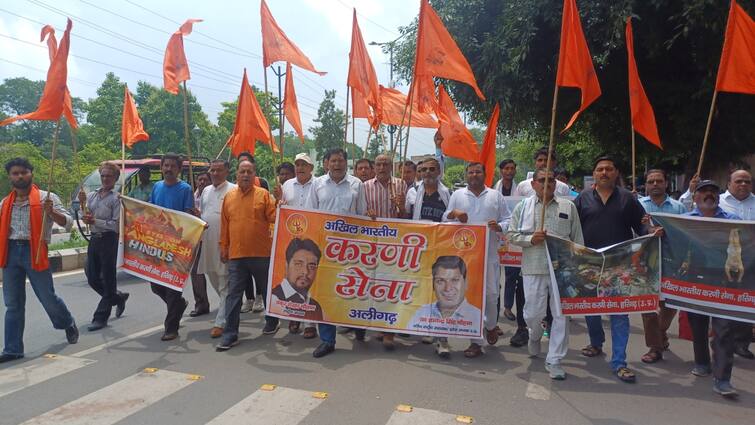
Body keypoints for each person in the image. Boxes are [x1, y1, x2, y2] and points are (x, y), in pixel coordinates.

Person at [574, 156, 649, 383]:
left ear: (616, 173)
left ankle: (619, 362)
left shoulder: (628, 199)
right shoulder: (582, 199)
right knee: (591, 309)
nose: (604, 172)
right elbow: (571, 229)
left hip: (620, 266)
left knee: (619, 314)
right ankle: (596, 343)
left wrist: (652, 230)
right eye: (600, 169)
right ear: (594, 174)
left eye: (609, 169)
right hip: (589, 265)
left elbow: (642, 226)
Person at [507, 168, 583, 380]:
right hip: (534, 267)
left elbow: (577, 239)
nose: (546, 184)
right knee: (532, 314)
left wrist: (578, 268)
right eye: (542, 180)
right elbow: (511, 234)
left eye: (551, 180)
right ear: (533, 184)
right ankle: (534, 334)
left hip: (562, 270)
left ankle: (555, 359)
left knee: (561, 315)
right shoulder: (523, 207)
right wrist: (531, 239)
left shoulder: (568, 206)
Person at [0, 158, 78, 363]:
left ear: (31, 174)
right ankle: (12, 348)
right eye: (15, 173)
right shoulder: (5, 203)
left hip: (34, 251)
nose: (20, 176)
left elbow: (68, 222)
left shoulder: (46, 198)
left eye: (23, 172)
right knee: (13, 304)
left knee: (47, 297)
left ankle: (67, 321)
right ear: (10, 177)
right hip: (10, 252)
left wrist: (51, 212)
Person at [683, 179, 748, 397]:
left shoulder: (733, 221)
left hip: (724, 281)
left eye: (713, 191)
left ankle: (722, 379)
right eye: (703, 192)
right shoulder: (684, 221)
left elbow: (746, 245)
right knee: (697, 325)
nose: (708, 195)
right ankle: (702, 363)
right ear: (695, 198)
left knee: (724, 330)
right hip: (695, 281)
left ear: (718, 197)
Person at [304, 148, 367, 358]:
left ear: (346, 163)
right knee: (324, 294)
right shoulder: (317, 184)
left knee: (353, 289)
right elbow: (310, 214)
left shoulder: (357, 184)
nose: (337, 164)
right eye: (333, 161)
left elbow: (362, 215)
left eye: (341, 160)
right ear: (326, 163)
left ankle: (358, 326)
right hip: (324, 248)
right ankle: (327, 340)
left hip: (351, 249)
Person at [443, 162, 511, 358]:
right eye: (470, 172)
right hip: (463, 257)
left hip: (488, 255)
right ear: (466, 175)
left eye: (477, 171)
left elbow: (508, 220)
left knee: (490, 295)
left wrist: (499, 226)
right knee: (470, 297)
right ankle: (475, 341)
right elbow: (444, 218)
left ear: (485, 174)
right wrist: (455, 214)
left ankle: (490, 325)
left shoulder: (494, 196)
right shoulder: (457, 195)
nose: (474, 175)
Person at [216, 158, 279, 352]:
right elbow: (225, 225)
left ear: (254, 175)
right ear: (236, 174)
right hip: (236, 255)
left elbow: (275, 219)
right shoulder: (229, 197)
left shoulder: (264, 195)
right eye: (242, 171)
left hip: (261, 253)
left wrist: (280, 202)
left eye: (249, 172)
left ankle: (272, 320)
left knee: (267, 289)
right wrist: (223, 247)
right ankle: (230, 334)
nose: (245, 175)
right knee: (234, 295)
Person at [637, 169, 686, 363]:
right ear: (646, 185)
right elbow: (631, 231)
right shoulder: (637, 206)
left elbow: (685, 234)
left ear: (667, 183)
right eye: (651, 181)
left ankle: (661, 332)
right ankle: (655, 348)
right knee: (648, 306)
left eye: (659, 181)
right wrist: (645, 229)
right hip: (644, 262)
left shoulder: (679, 207)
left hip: (672, 262)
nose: (655, 184)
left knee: (669, 305)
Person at [364, 153, 408, 350]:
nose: (382, 167)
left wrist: (400, 205)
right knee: (371, 286)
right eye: (379, 164)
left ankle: (389, 330)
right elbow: (358, 214)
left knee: (390, 287)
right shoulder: (364, 187)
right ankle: (376, 326)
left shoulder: (400, 185)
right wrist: (367, 214)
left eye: (386, 164)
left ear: (392, 166)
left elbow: (405, 217)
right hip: (370, 244)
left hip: (393, 245)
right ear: (374, 167)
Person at [78, 162, 128, 331]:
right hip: (95, 239)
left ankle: (101, 317)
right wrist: (82, 206)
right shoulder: (91, 196)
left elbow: (115, 225)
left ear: (115, 178)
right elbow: (85, 215)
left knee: (108, 279)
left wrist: (95, 221)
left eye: (109, 176)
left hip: (109, 240)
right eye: (103, 175)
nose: (105, 179)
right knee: (92, 277)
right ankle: (117, 297)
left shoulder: (117, 199)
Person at [148, 153, 194, 341]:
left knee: (172, 288)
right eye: (165, 165)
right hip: (157, 245)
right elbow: (150, 211)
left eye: (172, 166)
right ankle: (179, 305)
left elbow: (187, 216)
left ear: (179, 169)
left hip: (176, 246)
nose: (168, 169)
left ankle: (171, 328)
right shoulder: (156, 187)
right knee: (156, 286)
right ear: (161, 167)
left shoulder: (185, 189)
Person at [279, 153, 318, 338]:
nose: (300, 167)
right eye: (297, 164)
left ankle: (310, 322)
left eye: (304, 164)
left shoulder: (319, 184)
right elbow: (282, 208)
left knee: (310, 279)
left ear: (311, 168)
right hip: (292, 238)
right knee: (293, 278)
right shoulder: (286, 185)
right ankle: (295, 315)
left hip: (314, 238)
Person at [197, 160, 236, 338]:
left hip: (224, 245)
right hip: (207, 244)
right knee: (214, 280)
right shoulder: (205, 191)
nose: (215, 173)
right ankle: (228, 309)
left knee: (224, 283)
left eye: (219, 170)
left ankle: (221, 322)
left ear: (227, 171)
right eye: (212, 170)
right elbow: (204, 213)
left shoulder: (233, 190)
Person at [718, 169, 754, 360]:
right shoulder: (717, 201)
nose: (743, 185)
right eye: (739, 181)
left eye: (747, 182)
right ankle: (722, 341)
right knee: (724, 302)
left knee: (746, 302)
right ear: (729, 183)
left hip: (750, 261)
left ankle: (742, 343)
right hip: (723, 261)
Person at [494, 158, 528, 348]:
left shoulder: (521, 191)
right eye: (506, 168)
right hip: (496, 240)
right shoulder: (493, 191)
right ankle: (495, 318)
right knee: (494, 280)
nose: (509, 171)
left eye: (512, 168)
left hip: (514, 241)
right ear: (501, 171)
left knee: (512, 276)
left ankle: (509, 307)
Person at [407, 256, 482, 338]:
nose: (448, 288)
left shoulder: (477, 317)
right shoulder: (420, 313)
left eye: (455, 280)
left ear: (466, 283)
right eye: (440, 281)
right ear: (433, 284)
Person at [236, 151, 266, 313]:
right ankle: (249, 299)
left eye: (248, 167)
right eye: (242, 167)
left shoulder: (262, 185)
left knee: (259, 274)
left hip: (259, 243)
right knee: (244, 275)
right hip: (240, 245)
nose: (245, 173)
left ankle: (260, 297)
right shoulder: (232, 192)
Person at [270, 238, 324, 321]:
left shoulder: (316, 306)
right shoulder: (273, 299)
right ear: (286, 265)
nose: (305, 272)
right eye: (298, 264)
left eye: (312, 266)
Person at [189, 171, 211, 318]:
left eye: (205, 180)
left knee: (218, 272)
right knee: (196, 272)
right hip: (196, 239)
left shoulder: (213, 196)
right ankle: (201, 304)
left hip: (212, 238)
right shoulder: (192, 196)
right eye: (200, 180)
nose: (202, 182)